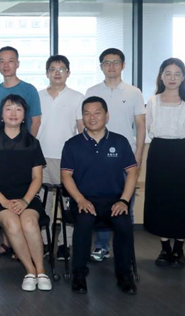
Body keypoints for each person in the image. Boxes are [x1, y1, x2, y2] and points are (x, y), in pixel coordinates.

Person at [61, 97, 139, 295]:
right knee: (84, 222)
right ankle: (79, 274)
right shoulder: (72, 144)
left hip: (114, 201)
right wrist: (80, 199)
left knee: (123, 224)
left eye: (97, 113)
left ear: (107, 116)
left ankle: (125, 275)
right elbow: (66, 176)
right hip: (84, 200)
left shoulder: (120, 142)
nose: (92, 117)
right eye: (87, 113)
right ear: (82, 117)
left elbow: (132, 173)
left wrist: (124, 200)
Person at [0, 94, 51, 292]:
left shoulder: (33, 143)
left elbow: (37, 178)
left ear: (24, 115)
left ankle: (41, 271)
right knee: (12, 223)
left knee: (29, 223)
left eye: (18, 109)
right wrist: (4, 201)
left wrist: (25, 201)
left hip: (28, 198)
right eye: (8, 109)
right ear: (1, 115)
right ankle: (30, 271)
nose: (13, 113)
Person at [85, 48, 145, 263]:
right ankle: (102, 247)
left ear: (123, 65)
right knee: (100, 201)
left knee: (125, 203)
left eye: (116, 62)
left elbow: (141, 125)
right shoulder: (92, 91)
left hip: (125, 157)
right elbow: (86, 123)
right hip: (97, 157)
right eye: (107, 62)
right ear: (101, 66)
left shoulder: (134, 92)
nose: (111, 66)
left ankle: (125, 250)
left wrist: (139, 154)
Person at [143, 58, 185, 269]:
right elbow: (148, 129)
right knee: (160, 199)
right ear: (161, 76)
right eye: (167, 73)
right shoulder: (153, 101)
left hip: (181, 153)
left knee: (182, 200)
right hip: (159, 152)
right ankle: (164, 247)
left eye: (177, 74)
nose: (172, 78)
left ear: (183, 77)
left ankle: (179, 249)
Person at [0, 46, 42, 258]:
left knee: (20, 196)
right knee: (3, 194)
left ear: (17, 63)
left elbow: (35, 120)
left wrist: (24, 148)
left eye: (10, 60)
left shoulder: (29, 89)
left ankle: (22, 246)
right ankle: (8, 243)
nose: (6, 65)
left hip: (22, 152)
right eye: (1, 61)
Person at [37, 55, 84, 261]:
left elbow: (82, 130)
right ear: (47, 73)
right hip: (40, 158)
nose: (57, 73)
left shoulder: (77, 97)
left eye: (62, 69)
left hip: (66, 159)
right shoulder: (37, 96)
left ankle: (66, 243)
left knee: (67, 204)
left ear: (68, 73)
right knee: (42, 204)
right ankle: (45, 243)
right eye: (53, 69)